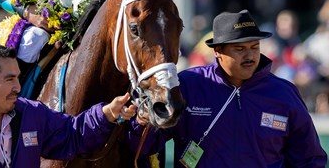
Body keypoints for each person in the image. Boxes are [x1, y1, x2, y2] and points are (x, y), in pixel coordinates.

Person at [128, 10, 328, 168]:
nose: (250, 56)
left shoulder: (284, 93)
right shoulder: (189, 84)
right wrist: (141, 122)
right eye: (240, 49)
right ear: (218, 52)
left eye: (254, 47)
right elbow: (148, 146)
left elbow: (309, 159)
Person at [0, 43, 136, 167]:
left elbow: (72, 135)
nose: (18, 87)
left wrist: (107, 113)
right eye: (9, 79)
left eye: (18, 78)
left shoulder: (31, 113)